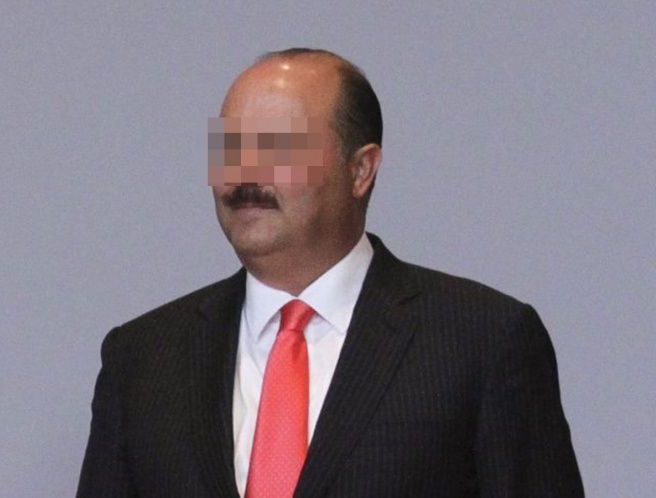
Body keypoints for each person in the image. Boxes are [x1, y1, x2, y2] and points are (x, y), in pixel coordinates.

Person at [77, 48, 584, 497]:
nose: (243, 173)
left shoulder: (482, 342)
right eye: (229, 146)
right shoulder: (142, 358)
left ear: (360, 170)